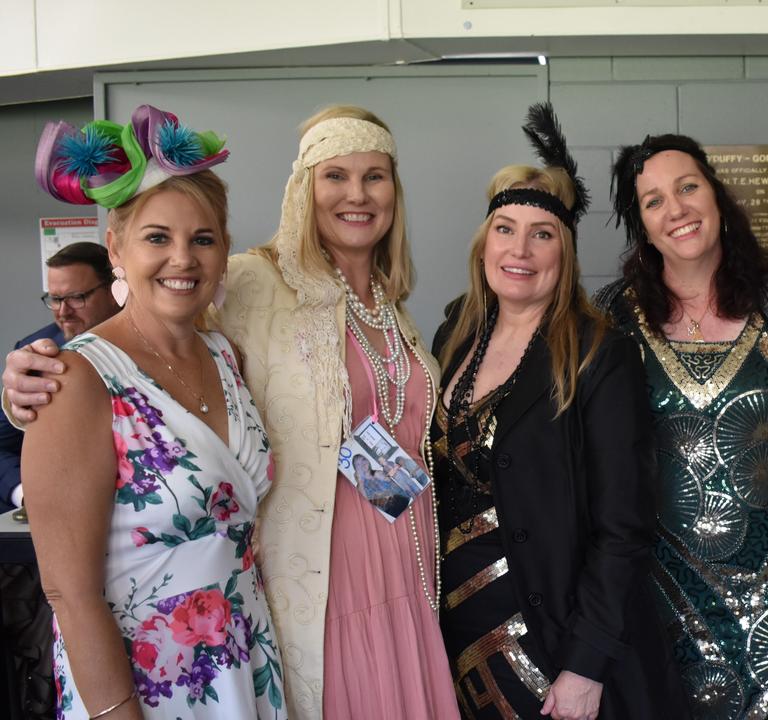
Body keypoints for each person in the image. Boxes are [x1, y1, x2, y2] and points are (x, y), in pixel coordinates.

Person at [4, 105, 458, 719]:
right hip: (310, 582)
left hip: (381, 566)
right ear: (303, 188)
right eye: (335, 175)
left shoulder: (386, 302)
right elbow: (131, 346)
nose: (356, 194)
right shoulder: (251, 282)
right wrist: (26, 380)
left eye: (375, 176)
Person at [23, 105, 284, 717]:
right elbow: (69, 591)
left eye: (203, 239)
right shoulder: (79, 378)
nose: (183, 259)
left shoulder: (226, 356)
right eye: (157, 238)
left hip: (240, 658)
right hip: (142, 681)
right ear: (116, 246)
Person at [432, 104, 685, 719]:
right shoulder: (451, 337)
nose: (520, 249)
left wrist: (585, 664)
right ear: (484, 239)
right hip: (458, 629)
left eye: (541, 234)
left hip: (551, 634)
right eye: (505, 229)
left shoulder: (600, 353)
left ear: (564, 250)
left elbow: (624, 526)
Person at [597, 133, 768, 719]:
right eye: (652, 201)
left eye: (688, 187)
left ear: (717, 197)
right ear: (641, 227)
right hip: (655, 602)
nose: (675, 209)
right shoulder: (610, 319)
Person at [1, 242, 120, 512]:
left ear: (114, 291)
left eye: (77, 297)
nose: (63, 312)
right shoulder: (32, 350)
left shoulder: (153, 343)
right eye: (55, 299)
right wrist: (27, 494)